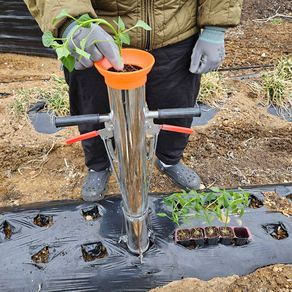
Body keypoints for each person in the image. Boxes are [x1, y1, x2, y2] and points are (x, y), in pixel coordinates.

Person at [24, 0, 243, 201]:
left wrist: (216, 27)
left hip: (176, 30)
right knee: (92, 108)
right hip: (97, 37)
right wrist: (70, 23)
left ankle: (169, 159)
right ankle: (99, 165)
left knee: (177, 109)